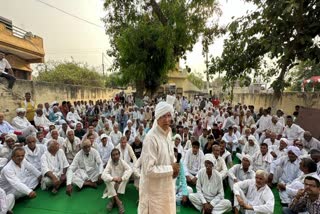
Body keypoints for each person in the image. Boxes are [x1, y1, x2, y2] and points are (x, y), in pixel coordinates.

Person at [138, 97, 179, 214]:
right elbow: (149, 170)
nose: (167, 119)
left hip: (167, 186)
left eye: (169, 116)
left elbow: (170, 155)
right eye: (163, 116)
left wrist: (175, 164)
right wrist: (171, 169)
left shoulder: (168, 132)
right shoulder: (151, 138)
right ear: (157, 118)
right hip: (154, 192)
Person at [102, 148, 132, 214]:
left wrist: (122, 178)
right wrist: (113, 179)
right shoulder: (109, 163)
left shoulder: (122, 161)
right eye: (113, 155)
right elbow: (103, 175)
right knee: (106, 180)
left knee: (126, 177)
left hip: (120, 183)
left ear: (119, 155)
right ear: (111, 157)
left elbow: (130, 170)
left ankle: (113, 200)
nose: (115, 156)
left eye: (116, 154)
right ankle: (118, 201)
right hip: (113, 182)